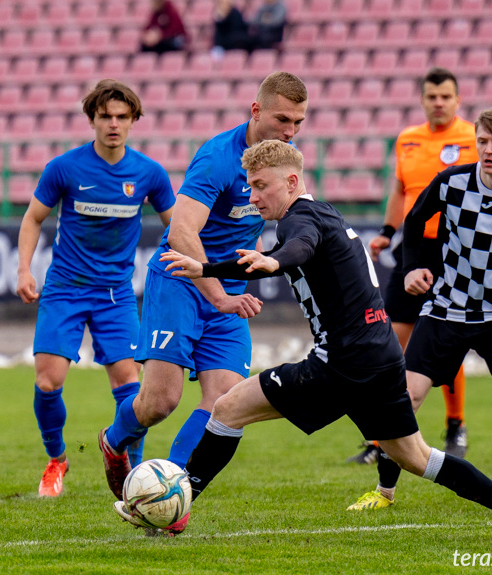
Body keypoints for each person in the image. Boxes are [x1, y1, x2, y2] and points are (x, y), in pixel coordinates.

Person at [119, 139, 492, 537]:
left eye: (259, 186)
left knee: (228, 407)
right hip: (380, 356)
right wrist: (218, 267)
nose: (252, 197)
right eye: (248, 187)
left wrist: (272, 263)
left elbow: (298, 249)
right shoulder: (324, 212)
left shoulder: (297, 221)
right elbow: (292, 252)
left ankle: (176, 505)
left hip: (342, 360)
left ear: (290, 181)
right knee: (414, 457)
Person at [349, 106, 492, 512]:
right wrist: (412, 268)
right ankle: (384, 492)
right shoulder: (451, 183)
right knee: (403, 397)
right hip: (445, 311)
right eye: (483, 141)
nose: (489, 149)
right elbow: (416, 221)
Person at [98, 72, 308, 508]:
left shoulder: (281, 163)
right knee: (160, 402)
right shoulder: (216, 158)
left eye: (298, 123)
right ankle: (114, 441)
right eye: (282, 119)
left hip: (228, 291)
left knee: (224, 403)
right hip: (181, 281)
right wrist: (220, 296)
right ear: (256, 111)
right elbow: (181, 232)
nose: (290, 131)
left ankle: (172, 494)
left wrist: (256, 258)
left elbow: (247, 224)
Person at [16, 79, 175, 498]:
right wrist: (23, 270)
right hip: (65, 288)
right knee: (48, 383)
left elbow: (180, 227)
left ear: (134, 121)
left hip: (115, 295)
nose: (113, 124)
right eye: (105, 116)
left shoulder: (149, 174)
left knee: (131, 389)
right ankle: (57, 459)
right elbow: (33, 218)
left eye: (122, 117)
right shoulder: (64, 168)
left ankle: (135, 473)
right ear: (92, 119)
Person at [348, 67, 478, 469]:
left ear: (457, 101)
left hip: (457, 249)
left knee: (447, 338)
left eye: (445, 96)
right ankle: (380, 437)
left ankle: (455, 424)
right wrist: (388, 230)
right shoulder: (407, 139)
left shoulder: (473, 139)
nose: (438, 102)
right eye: (431, 96)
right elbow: (399, 190)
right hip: (412, 248)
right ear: (422, 100)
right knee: (390, 340)